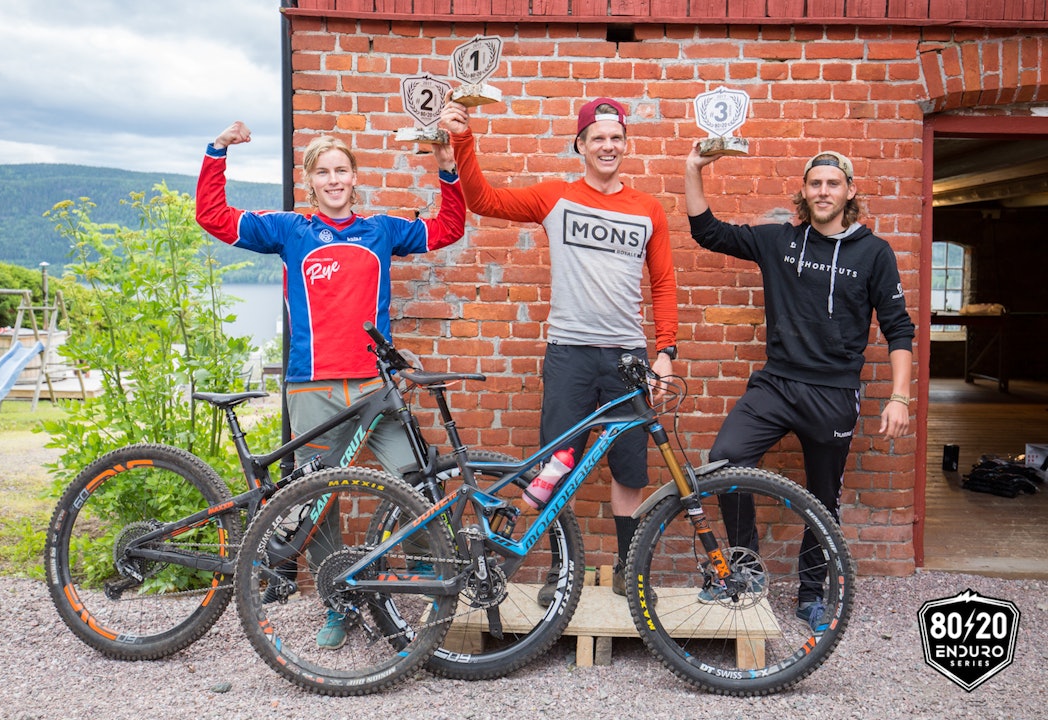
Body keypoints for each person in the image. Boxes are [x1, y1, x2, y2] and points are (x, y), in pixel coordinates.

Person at [196, 121, 465, 648]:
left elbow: (448, 229)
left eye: (342, 170)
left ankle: (431, 579)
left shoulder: (381, 230)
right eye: (323, 172)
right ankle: (337, 604)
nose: (334, 179)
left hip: (373, 386)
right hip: (312, 388)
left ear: (355, 177)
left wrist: (446, 165)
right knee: (318, 502)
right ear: (310, 181)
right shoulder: (290, 231)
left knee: (417, 480)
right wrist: (217, 151)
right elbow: (215, 218)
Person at [440, 97, 678, 602]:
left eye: (616, 138)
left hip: (628, 358)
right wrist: (463, 140)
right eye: (598, 138)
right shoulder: (555, 197)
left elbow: (663, 283)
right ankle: (559, 570)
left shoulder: (648, 209)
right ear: (581, 145)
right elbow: (482, 200)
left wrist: (665, 352)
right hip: (570, 353)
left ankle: (628, 572)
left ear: (625, 144)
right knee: (556, 465)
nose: (608, 146)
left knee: (630, 468)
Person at [683, 146, 915, 625]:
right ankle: (746, 570)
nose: (823, 191)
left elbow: (899, 329)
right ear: (804, 192)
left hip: (834, 393)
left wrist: (899, 396)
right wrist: (693, 168)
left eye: (833, 183)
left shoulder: (874, 253)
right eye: (815, 184)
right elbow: (708, 232)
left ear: (849, 191)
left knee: (823, 500)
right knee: (725, 460)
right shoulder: (780, 242)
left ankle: (811, 593)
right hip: (777, 384)